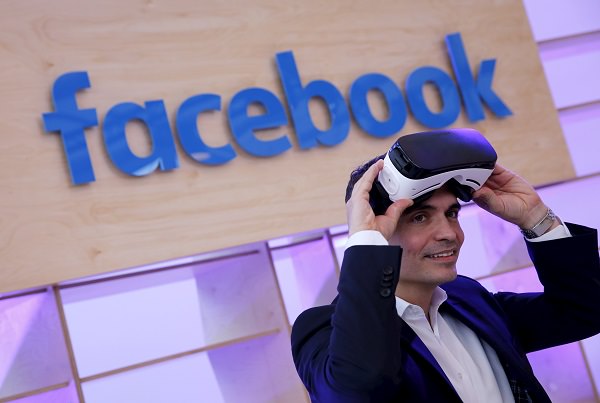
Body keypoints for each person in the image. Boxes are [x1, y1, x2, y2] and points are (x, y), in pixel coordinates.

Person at [291, 154, 600, 403]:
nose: (449, 234)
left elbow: (583, 311)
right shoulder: (321, 331)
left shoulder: (467, 297)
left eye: (452, 214)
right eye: (420, 217)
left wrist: (536, 218)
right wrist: (365, 243)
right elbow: (356, 391)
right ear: (374, 228)